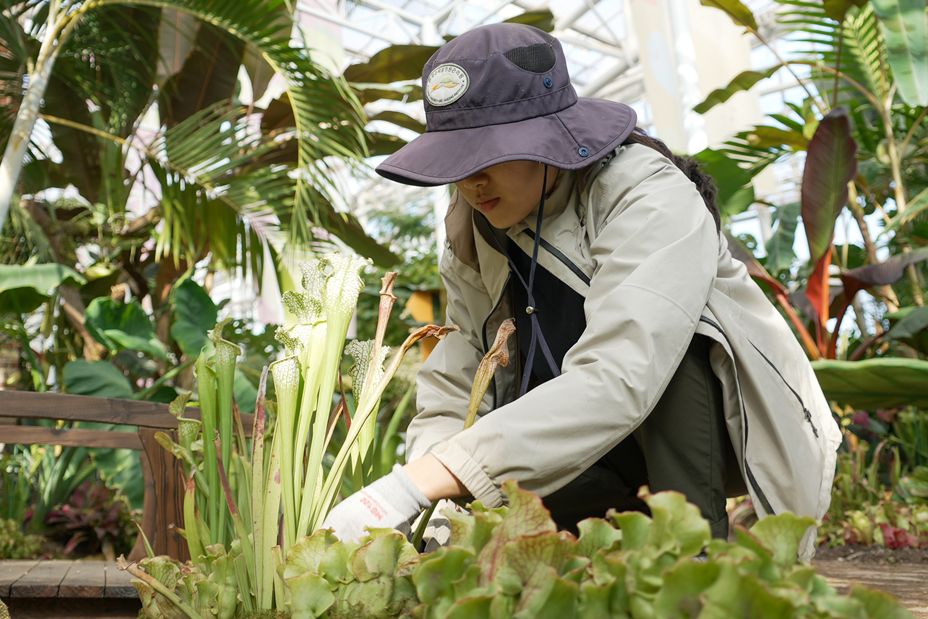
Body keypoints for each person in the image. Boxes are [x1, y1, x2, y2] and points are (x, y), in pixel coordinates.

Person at [323, 22, 841, 559]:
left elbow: (624, 373)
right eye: (457, 163)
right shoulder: (471, 229)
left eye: (487, 157)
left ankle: (692, 561)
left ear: (548, 139)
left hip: (700, 434)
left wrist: (430, 478)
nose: (471, 183)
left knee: (680, 352)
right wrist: (422, 496)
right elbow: (458, 375)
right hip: (578, 451)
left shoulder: (645, 189)